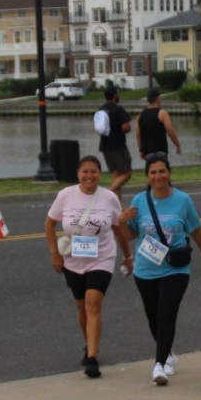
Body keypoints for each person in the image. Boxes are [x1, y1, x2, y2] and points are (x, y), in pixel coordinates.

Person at [120, 152, 201, 385]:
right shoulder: (139, 201)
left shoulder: (183, 200)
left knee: (166, 314)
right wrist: (121, 221)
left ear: (169, 173)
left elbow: (196, 231)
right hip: (145, 269)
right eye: (153, 172)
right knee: (153, 317)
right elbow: (130, 235)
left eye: (162, 171)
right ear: (147, 176)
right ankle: (168, 353)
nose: (158, 176)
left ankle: (159, 365)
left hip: (175, 268)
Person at [45, 154, 134, 378]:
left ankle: (93, 359)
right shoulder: (65, 195)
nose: (89, 176)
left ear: (99, 174)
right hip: (72, 259)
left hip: (101, 257)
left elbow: (117, 228)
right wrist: (54, 254)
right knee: (81, 306)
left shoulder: (109, 198)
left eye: (93, 171)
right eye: (85, 171)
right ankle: (88, 345)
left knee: (93, 304)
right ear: (78, 173)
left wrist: (127, 256)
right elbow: (49, 223)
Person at [96, 80, 132, 200]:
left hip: (104, 145)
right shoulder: (118, 109)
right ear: (115, 95)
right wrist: (127, 128)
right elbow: (126, 127)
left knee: (116, 175)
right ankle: (108, 193)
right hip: (118, 146)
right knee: (127, 173)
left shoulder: (100, 109)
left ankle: (118, 204)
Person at [137, 85, 182, 160]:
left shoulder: (140, 115)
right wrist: (177, 145)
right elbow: (170, 131)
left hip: (148, 152)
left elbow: (138, 134)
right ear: (157, 98)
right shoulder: (162, 113)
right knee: (162, 167)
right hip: (161, 151)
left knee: (150, 167)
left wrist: (141, 150)